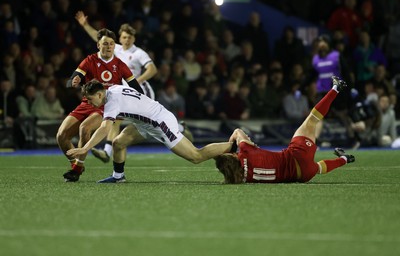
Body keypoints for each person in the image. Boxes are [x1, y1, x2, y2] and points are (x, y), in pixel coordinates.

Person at [66, 79, 234, 183]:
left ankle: (233, 146)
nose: (89, 102)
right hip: (145, 123)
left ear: (100, 94)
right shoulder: (112, 88)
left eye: (90, 99)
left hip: (160, 123)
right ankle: (118, 177)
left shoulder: (111, 102)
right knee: (118, 142)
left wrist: (84, 148)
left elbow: (104, 129)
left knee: (196, 156)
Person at [215, 76, 356, 184]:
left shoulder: (241, 179)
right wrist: (231, 146)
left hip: (302, 175)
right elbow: (238, 132)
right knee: (312, 120)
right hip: (296, 156)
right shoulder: (246, 152)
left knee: (317, 168)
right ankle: (336, 88)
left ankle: (344, 159)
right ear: (233, 156)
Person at [56, 28, 143, 182]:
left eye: (111, 44)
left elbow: (136, 86)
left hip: (105, 106)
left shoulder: (120, 64)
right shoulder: (89, 60)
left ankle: (76, 170)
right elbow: (72, 79)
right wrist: (74, 81)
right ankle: (77, 164)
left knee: (85, 128)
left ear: (114, 46)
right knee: (61, 136)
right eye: (105, 44)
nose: (108, 46)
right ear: (98, 45)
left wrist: (140, 103)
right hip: (86, 104)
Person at [75, 11, 158, 163]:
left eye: (130, 37)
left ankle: (178, 128)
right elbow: (97, 37)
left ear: (134, 38)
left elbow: (152, 69)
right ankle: (109, 153)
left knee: (148, 122)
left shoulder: (139, 53)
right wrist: (85, 25)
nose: (127, 40)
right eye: (124, 37)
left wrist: (137, 81)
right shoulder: (115, 48)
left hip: (137, 91)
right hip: (120, 92)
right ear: (119, 38)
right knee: (114, 119)